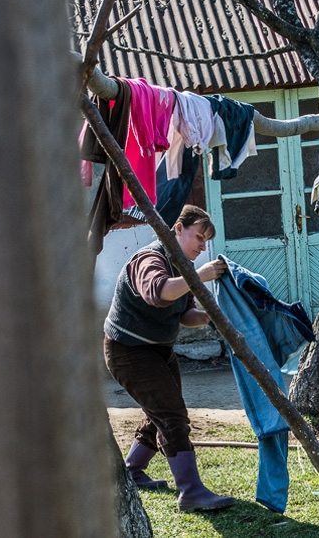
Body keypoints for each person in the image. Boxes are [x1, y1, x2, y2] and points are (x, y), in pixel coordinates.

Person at [103, 205, 234, 511]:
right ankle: (190, 491)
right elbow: (159, 293)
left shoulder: (181, 264)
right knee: (171, 415)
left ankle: (133, 470)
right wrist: (198, 275)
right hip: (128, 351)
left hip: (159, 348)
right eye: (198, 237)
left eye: (206, 240)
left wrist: (206, 318)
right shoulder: (150, 259)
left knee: (160, 410)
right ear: (178, 229)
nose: (202, 246)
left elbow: (182, 311)